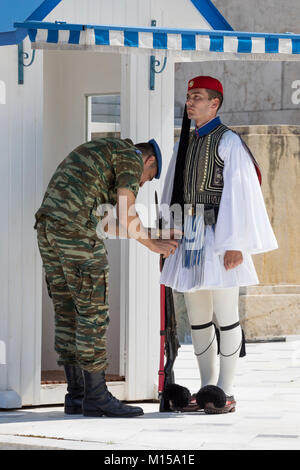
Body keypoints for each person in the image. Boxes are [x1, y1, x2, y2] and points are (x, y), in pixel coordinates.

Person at [34, 136, 179, 418]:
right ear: (148, 161)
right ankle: (97, 396)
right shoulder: (131, 156)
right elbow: (126, 212)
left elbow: (106, 224)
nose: (143, 184)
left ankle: (76, 395)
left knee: (68, 310)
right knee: (92, 311)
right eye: (147, 179)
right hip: (76, 231)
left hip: (49, 228)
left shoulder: (102, 153)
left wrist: (153, 235)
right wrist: (153, 246)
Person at [160, 76, 278, 414]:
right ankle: (206, 388)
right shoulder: (185, 142)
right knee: (197, 317)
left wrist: (236, 242)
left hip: (219, 235)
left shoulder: (228, 141)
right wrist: (170, 233)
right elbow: (173, 191)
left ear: (215, 104)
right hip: (190, 236)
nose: (190, 102)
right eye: (189, 96)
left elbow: (241, 194)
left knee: (226, 315)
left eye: (197, 97)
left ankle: (226, 389)